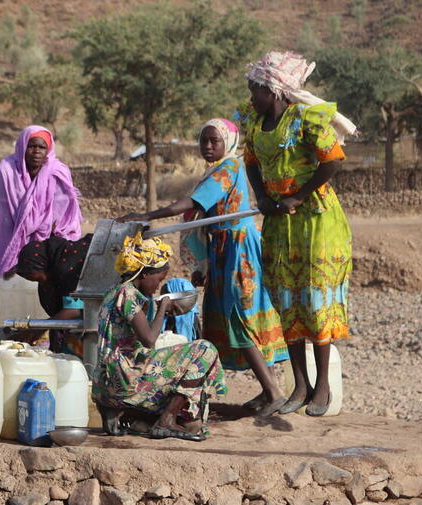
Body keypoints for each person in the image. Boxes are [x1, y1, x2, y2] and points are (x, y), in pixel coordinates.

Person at [118, 118, 289, 416]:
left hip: (238, 249)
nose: (208, 146)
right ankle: (267, 390)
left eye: (215, 141)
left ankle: (274, 392)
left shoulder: (229, 168)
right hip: (222, 248)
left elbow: (189, 205)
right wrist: (205, 263)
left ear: (228, 143)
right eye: (204, 140)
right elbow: (201, 216)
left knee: (240, 318)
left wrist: (147, 215)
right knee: (224, 317)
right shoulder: (216, 170)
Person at [240, 51, 355, 416]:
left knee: (316, 299)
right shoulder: (256, 126)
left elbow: (333, 158)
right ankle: (300, 386)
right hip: (279, 221)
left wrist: (299, 195)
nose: (251, 97)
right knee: (286, 301)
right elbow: (252, 164)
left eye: (256, 90)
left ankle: (322, 387)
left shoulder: (306, 119)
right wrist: (263, 196)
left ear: (274, 90)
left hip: (316, 221)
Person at [92, 232, 226, 441]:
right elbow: (149, 339)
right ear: (144, 274)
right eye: (159, 279)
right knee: (204, 350)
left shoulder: (114, 291)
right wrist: (163, 306)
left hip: (106, 383)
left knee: (193, 425)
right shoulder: (128, 294)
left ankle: (130, 416)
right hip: (126, 377)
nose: (157, 285)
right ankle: (166, 420)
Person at [0, 126, 83, 313]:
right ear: (22, 147)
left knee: (62, 286)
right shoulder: (6, 172)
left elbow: (63, 216)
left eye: (42, 148)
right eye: (31, 146)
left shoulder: (57, 172)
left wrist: (46, 239)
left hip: (53, 241)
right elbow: (9, 215)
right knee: (14, 290)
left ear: (49, 150)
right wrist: (30, 231)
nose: (36, 152)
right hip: (14, 235)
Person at [11, 233, 93, 356]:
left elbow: (74, 310)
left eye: (31, 273)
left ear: (42, 265)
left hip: (90, 330)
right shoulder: (56, 268)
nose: (30, 278)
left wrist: (40, 328)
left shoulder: (69, 267)